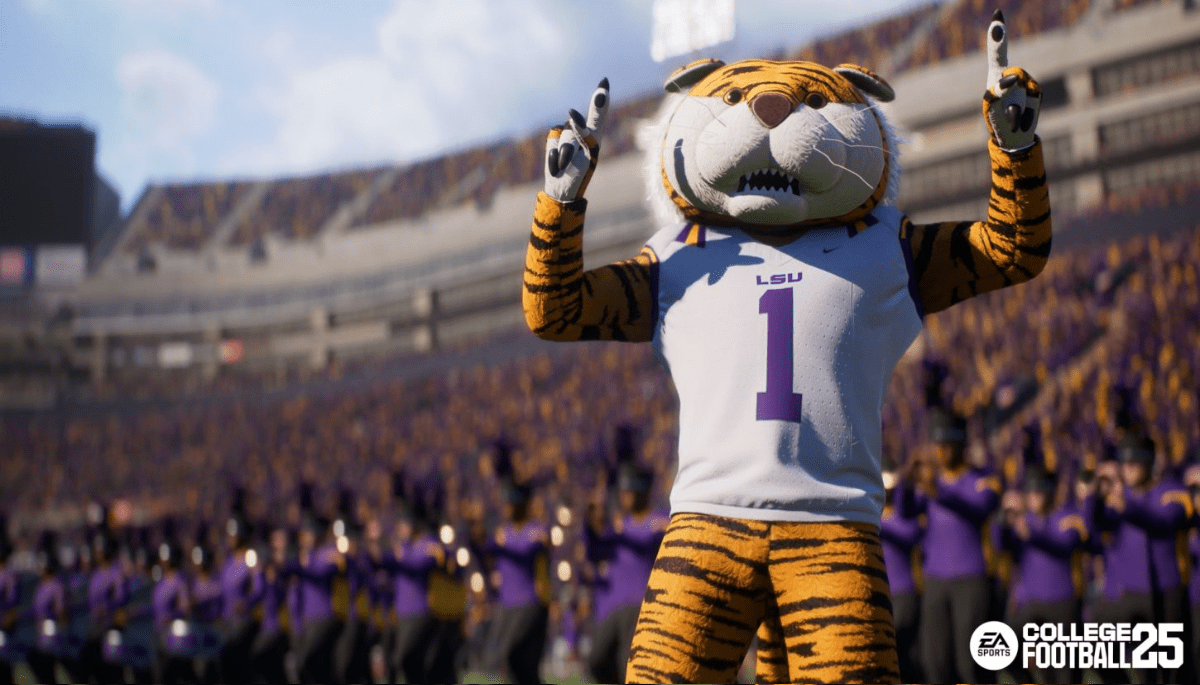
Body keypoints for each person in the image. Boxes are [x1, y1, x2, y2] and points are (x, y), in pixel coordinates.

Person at [522, 11, 1050, 683]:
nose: (772, 114)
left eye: (814, 103)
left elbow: (1013, 247)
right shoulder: (674, 255)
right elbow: (553, 309)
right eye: (737, 100)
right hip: (709, 526)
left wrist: (1014, 147)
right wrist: (559, 205)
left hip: (829, 528)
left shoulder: (888, 244)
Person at [901, 407, 1000, 684]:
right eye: (937, 444)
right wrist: (908, 479)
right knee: (935, 663)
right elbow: (906, 511)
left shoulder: (980, 479)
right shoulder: (931, 483)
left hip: (971, 579)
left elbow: (979, 508)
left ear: (960, 445)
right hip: (935, 580)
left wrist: (937, 491)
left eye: (947, 444)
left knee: (971, 664)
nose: (941, 451)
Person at [1089, 433, 1192, 684]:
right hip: (1130, 594)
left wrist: (1127, 507)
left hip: (1166, 592)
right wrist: (1096, 494)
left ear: (1150, 462)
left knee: (1161, 673)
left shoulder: (1172, 490)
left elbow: (1163, 523)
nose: (1129, 469)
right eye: (1125, 464)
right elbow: (1097, 526)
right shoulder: (1120, 496)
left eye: (1135, 462)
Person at [1000, 464, 1087, 684]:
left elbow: (1065, 545)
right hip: (1032, 604)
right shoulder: (1022, 520)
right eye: (1031, 492)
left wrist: (1033, 534)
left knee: (1063, 673)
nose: (1035, 497)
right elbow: (1003, 547)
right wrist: (1004, 518)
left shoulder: (1067, 517)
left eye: (1040, 491)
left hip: (1062, 603)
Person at [585, 459, 666, 685]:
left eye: (629, 491)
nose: (624, 496)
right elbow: (594, 549)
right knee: (595, 660)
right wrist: (590, 517)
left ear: (642, 492)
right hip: (613, 608)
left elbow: (644, 542)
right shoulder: (618, 525)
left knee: (626, 665)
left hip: (640, 607)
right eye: (622, 492)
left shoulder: (657, 523)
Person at [483, 471, 550, 685]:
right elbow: (486, 558)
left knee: (509, 654)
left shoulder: (536, 531)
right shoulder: (502, 533)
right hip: (507, 605)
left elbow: (526, 555)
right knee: (521, 667)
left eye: (511, 504)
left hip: (532, 604)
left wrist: (498, 548)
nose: (507, 509)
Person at [878, 456, 924, 683]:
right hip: (880, 594)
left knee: (898, 648)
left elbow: (909, 535)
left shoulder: (905, 516)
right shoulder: (874, 517)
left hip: (904, 593)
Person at [218, 513, 262, 684]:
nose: (229, 538)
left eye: (232, 534)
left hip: (244, 621)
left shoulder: (250, 558)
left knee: (237, 661)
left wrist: (248, 602)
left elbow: (259, 587)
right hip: (227, 620)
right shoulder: (228, 562)